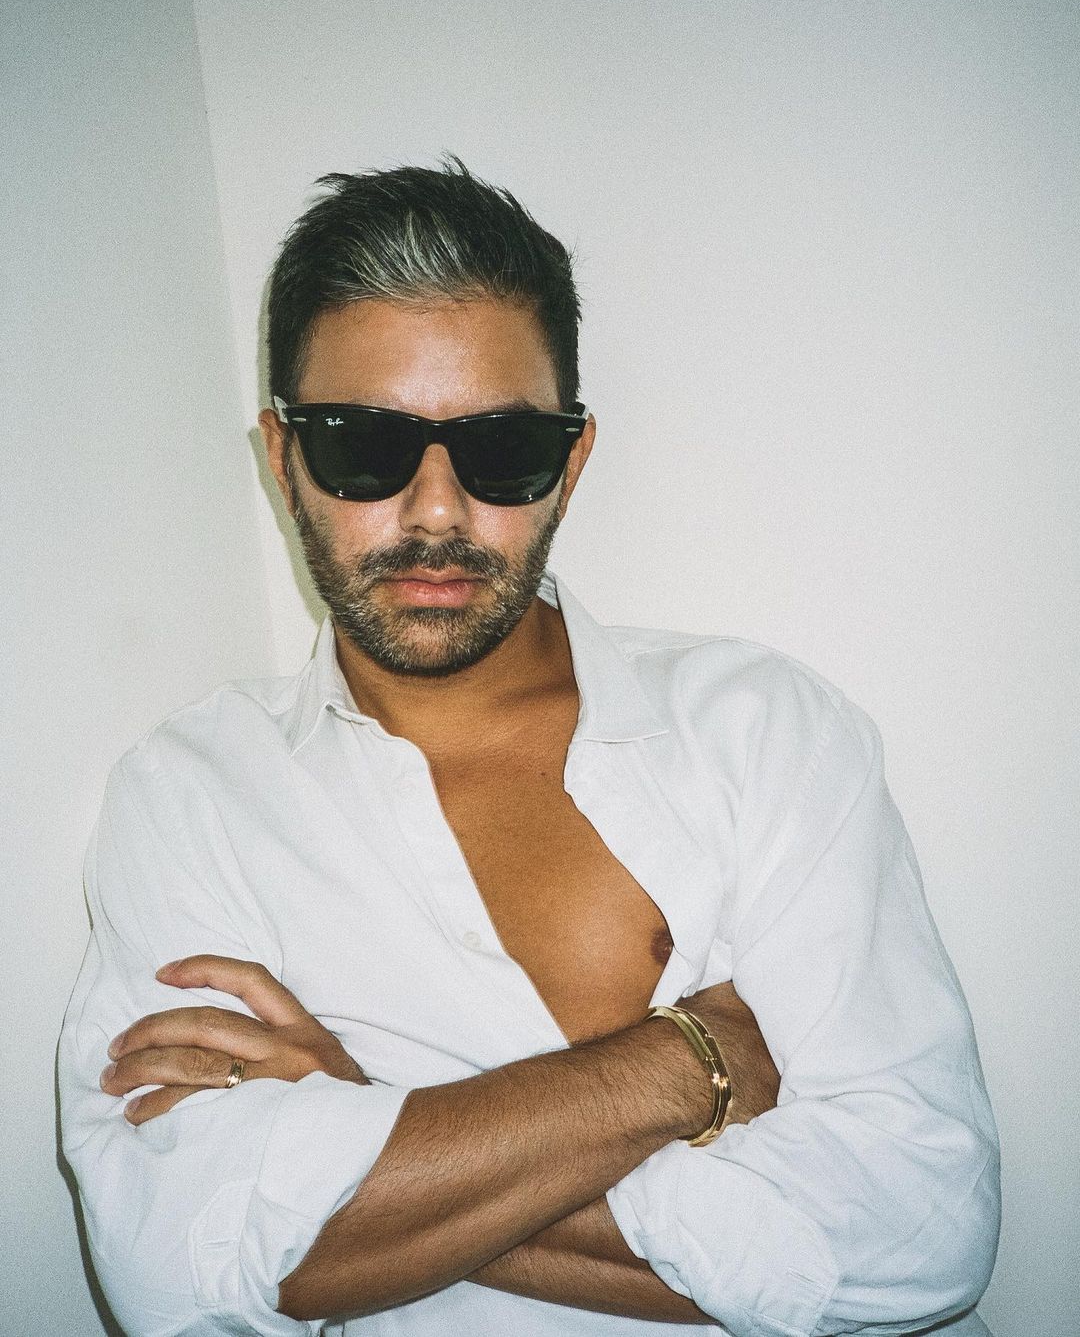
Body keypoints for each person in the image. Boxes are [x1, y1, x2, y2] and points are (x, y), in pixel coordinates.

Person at [60, 159, 1000, 1337]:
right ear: (284, 457)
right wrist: (685, 1062)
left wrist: (360, 1129)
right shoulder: (192, 795)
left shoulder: (767, 731)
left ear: (574, 459)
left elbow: (922, 1233)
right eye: (363, 446)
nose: (438, 511)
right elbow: (178, 1265)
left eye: (502, 449)